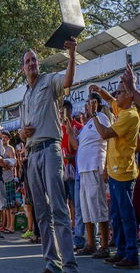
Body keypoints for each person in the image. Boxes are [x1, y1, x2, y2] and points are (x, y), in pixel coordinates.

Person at [18, 40, 79, 273]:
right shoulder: (24, 97)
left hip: (51, 150)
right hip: (32, 154)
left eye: (34, 59)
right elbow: (23, 131)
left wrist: (72, 55)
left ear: (38, 63)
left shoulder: (50, 80)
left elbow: (68, 81)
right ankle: (52, 263)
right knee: (42, 212)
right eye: (27, 61)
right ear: (23, 69)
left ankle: (70, 265)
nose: (31, 63)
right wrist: (22, 133)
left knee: (59, 208)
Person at [90, 82, 139, 269]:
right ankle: (121, 252)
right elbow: (110, 100)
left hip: (124, 173)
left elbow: (105, 133)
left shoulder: (131, 115)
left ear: (129, 95)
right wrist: (99, 90)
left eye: (118, 92)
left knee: (126, 216)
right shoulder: (122, 107)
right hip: (114, 171)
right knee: (116, 215)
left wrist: (94, 115)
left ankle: (131, 254)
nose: (115, 95)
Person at [66, 93, 110, 258]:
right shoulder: (88, 125)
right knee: (86, 209)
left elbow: (107, 137)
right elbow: (76, 145)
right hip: (82, 171)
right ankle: (90, 243)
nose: (86, 105)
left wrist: (105, 168)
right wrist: (69, 130)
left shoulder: (102, 118)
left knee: (99, 207)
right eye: (86, 103)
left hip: (94, 167)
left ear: (97, 103)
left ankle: (104, 245)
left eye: (90, 102)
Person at [61, 100, 82, 230]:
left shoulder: (78, 126)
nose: (61, 114)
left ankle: (75, 225)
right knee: (63, 200)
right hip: (62, 168)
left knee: (75, 200)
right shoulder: (59, 128)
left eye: (63, 111)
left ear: (69, 111)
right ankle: (67, 224)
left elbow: (80, 148)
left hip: (74, 168)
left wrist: (72, 157)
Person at [0, 131, 17, 234]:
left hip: (9, 178)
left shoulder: (10, 148)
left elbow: (13, 163)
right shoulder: (1, 149)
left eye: (6, 137)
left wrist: (4, 164)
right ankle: (7, 225)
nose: (4, 139)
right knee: (5, 205)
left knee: (11, 204)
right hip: (1, 179)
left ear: (9, 139)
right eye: (2, 137)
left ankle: (12, 226)